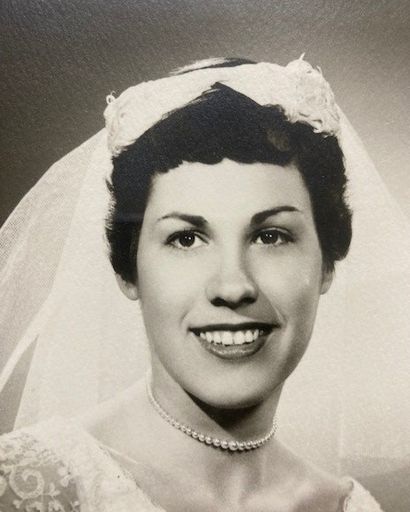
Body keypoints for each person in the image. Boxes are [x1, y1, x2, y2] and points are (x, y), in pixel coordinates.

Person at [1, 56, 409, 511]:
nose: (233, 287)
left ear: (328, 263)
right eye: (186, 238)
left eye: (270, 236)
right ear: (128, 270)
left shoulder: (349, 507)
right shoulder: (21, 486)